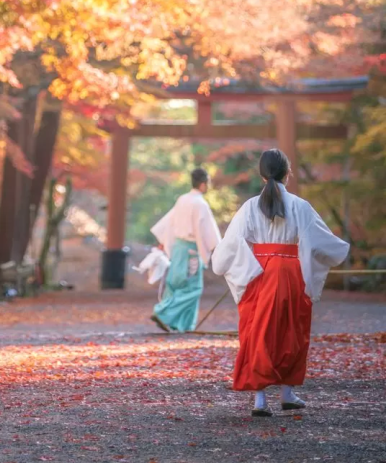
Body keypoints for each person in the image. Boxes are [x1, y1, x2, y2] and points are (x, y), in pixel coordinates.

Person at [211, 148, 349, 417]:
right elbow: (320, 241)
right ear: (288, 173)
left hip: (258, 272)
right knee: (292, 331)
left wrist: (238, 266)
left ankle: (260, 400)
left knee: (256, 333)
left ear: (262, 175)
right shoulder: (300, 205)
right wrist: (339, 250)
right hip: (289, 270)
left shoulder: (250, 206)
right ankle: (287, 393)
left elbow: (231, 244)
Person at [149, 167, 221, 333]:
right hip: (191, 251)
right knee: (192, 288)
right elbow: (207, 231)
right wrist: (219, 249)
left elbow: (170, 222)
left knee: (175, 284)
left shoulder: (182, 199)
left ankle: (181, 324)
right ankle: (163, 313)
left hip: (178, 248)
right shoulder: (200, 204)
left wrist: (164, 242)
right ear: (203, 184)